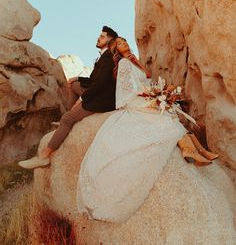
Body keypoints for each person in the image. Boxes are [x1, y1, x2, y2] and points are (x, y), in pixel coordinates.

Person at [77, 37, 218, 223]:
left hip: (146, 98)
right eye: (119, 43)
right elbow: (127, 91)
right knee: (165, 119)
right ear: (116, 50)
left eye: (125, 41)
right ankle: (191, 149)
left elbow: (146, 84)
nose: (124, 43)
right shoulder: (125, 64)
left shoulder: (136, 62)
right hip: (135, 102)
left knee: (170, 114)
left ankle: (195, 149)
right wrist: (151, 100)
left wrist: (159, 95)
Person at [18, 26, 118, 169]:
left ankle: (44, 156)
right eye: (99, 36)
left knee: (68, 119)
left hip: (101, 100)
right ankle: (64, 118)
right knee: (74, 85)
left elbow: (100, 84)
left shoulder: (108, 57)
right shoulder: (103, 56)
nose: (98, 38)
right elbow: (93, 80)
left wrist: (83, 100)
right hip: (98, 92)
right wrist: (76, 78)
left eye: (102, 37)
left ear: (110, 40)